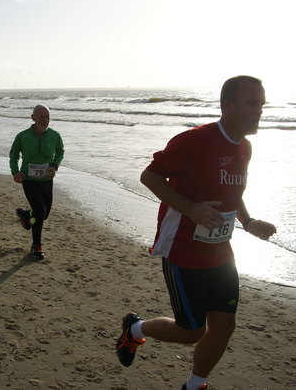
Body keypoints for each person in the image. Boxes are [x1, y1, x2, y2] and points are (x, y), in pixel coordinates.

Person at [115, 75, 277, 390]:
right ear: (229, 106)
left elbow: (231, 191)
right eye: (252, 103)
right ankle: (134, 329)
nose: (260, 111)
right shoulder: (194, 140)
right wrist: (190, 208)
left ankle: (194, 385)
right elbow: (149, 176)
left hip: (221, 252)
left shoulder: (245, 147)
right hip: (183, 251)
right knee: (192, 331)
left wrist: (248, 221)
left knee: (225, 325)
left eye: (262, 104)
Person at [9, 105, 64, 260]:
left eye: (47, 117)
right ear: (33, 118)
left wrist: (55, 165)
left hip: (46, 180)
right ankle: (36, 246)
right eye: (41, 117)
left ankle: (26, 215)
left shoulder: (54, 136)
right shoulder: (23, 136)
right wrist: (15, 171)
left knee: (43, 214)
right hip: (29, 180)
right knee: (40, 211)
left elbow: (60, 152)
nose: (45, 120)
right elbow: (14, 154)